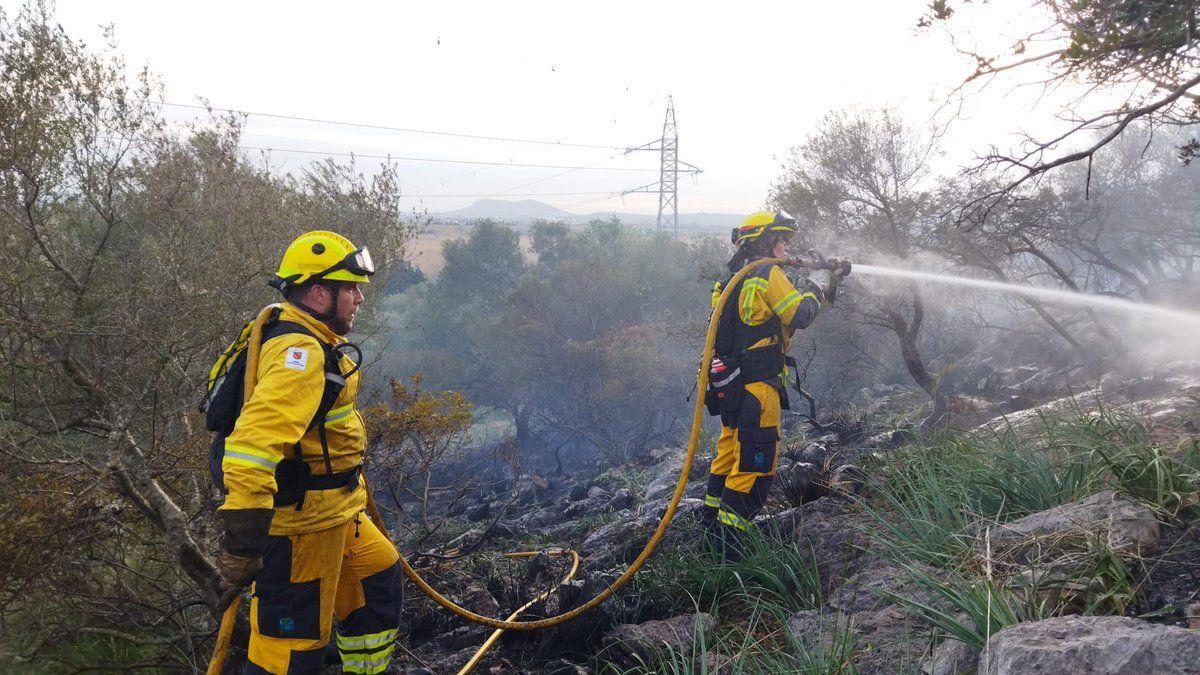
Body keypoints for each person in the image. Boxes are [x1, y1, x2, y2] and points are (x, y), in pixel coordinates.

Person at [215, 230, 402, 674]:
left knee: (377, 580)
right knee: (290, 654)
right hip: (301, 527)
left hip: (336, 512)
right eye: (350, 288)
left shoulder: (309, 336)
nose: (358, 299)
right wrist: (242, 544)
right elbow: (250, 448)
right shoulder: (299, 352)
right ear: (319, 292)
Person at [702, 210, 841, 560]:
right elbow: (800, 315)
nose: (784, 245)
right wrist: (816, 285)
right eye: (779, 238)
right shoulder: (768, 274)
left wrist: (827, 285)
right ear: (762, 240)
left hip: (730, 388)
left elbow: (754, 327)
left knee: (729, 456)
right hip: (758, 390)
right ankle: (730, 554)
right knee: (755, 465)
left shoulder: (730, 280)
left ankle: (709, 534)